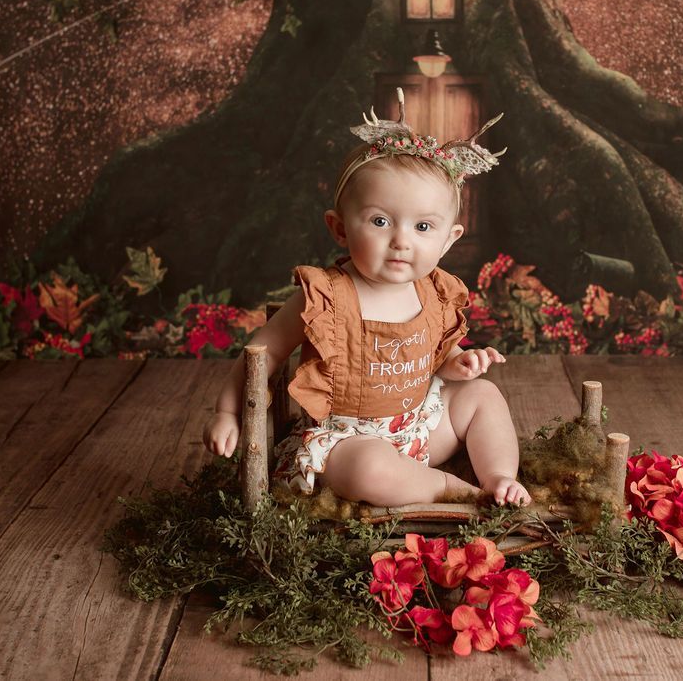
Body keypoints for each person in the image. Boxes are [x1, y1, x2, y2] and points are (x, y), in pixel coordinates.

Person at [202, 89, 531, 507]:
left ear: (449, 241)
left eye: (423, 228)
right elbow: (261, 353)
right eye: (380, 221)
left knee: (483, 396)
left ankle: (500, 476)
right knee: (368, 470)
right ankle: (452, 490)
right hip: (349, 441)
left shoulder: (435, 291)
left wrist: (456, 365)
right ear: (340, 229)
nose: (401, 242)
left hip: (421, 426)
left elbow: (432, 359)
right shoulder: (324, 296)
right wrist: (226, 413)